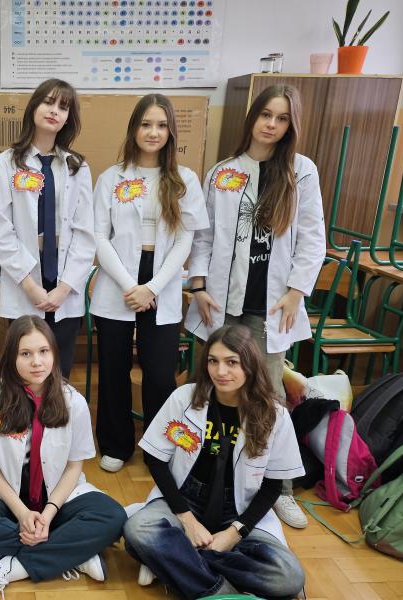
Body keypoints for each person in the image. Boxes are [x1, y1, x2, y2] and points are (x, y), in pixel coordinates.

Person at [185, 84, 325, 529]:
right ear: (252, 117)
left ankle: (279, 489)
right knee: (212, 387)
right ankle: (203, 473)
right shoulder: (223, 172)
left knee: (269, 395)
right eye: (266, 115)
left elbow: (312, 236)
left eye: (282, 118)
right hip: (222, 301)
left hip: (273, 305)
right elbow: (203, 236)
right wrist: (198, 285)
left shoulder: (301, 172)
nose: (272, 124)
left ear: (291, 125)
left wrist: (297, 290)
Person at [0, 316, 127, 599]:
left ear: (54, 353)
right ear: (11, 357)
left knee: (113, 517)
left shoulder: (73, 401)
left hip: (58, 498)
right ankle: (72, 552)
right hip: (6, 497)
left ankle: (11, 566)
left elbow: (74, 466)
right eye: (25, 354)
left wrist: (49, 512)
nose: (37, 362)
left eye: (43, 351)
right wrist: (21, 513)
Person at [123, 325, 306, 599]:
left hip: (240, 509)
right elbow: (155, 459)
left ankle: (173, 560)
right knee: (138, 529)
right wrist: (187, 520)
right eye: (213, 361)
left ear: (250, 365)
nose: (220, 371)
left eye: (232, 362)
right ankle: (221, 591)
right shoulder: (184, 398)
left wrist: (235, 533)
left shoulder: (275, 414)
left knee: (288, 577)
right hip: (185, 499)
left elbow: (272, 486)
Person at [91, 94, 208, 473]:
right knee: (114, 369)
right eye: (146, 124)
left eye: (161, 125)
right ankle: (116, 444)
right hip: (118, 281)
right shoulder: (111, 178)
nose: (153, 132)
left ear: (171, 131)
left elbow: (186, 240)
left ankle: (160, 447)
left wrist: (152, 287)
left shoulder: (184, 179)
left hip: (164, 281)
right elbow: (98, 236)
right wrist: (132, 285)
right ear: (134, 129)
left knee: (159, 374)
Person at [0, 79, 94, 379]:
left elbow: (85, 233)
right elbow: (0, 229)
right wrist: (30, 285)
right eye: (48, 102)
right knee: (23, 372)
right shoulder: (7, 163)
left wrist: (64, 288)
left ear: (69, 118)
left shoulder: (76, 166)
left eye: (63, 107)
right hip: (25, 282)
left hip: (64, 284)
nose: (54, 111)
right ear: (34, 107)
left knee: (59, 373)